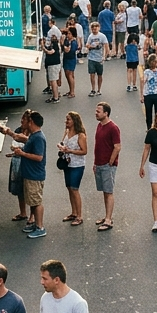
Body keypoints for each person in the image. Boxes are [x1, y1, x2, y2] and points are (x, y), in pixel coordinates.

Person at [2, 111, 48, 239]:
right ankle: (35, 225)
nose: (25, 122)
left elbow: (39, 157)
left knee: (36, 201)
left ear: (31, 122)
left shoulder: (38, 137)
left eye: (27, 120)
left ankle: (40, 227)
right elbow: (21, 141)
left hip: (35, 174)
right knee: (32, 201)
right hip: (29, 173)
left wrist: (22, 154)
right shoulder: (33, 136)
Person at [92, 103, 121, 231]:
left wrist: (110, 162)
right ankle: (106, 216)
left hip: (107, 165)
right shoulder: (99, 126)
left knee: (108, 191)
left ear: (106, 113)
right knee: (104, 191)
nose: (96, 113)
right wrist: (95, 163)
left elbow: (117, 146)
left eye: (98, 111)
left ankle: (108, 220)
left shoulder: (113, 128)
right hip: (99, 164)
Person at [58, 112, 89, 225]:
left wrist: (70, 151)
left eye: (68, 120)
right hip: (68, 164)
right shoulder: (67, 132)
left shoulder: (81, 135)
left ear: (74, 121)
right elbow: (63, 142)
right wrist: (62, 147)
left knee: (75, 189)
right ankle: (74, 212)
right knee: (69, 188)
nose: (66, 122)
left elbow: (84, 151)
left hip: (77, 165)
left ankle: (79, 216)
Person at [140, 54, 157, 126]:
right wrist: (142, 95)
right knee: (148, 113)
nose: (154, 64)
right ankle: (149, 127)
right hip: (148, 94)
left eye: (155, 62)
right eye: (152, 62)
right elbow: (143, 82)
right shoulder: (147, 72)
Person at [85, 21, 107, 96]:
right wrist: (92, 46)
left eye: (96, 28)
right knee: (92, 74)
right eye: (93, 29)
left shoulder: (102, 36)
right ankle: (93, 89)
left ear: (98, 28)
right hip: (91, 58)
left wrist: (104, 56)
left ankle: (99, 89)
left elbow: (106, 46)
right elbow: (87, 45)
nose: (94, 30)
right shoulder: (90, 36)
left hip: (99, 58)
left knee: (100, 75)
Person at [42, 34, 62, 103]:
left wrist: (43, 47)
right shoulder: (52, 45)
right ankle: (54, 96)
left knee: (53, 82)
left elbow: (49, 52)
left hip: (54, 65)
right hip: (52, 65)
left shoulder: (55, 45)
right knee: (52, 81)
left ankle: (56, 97)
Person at [61, 23, 80, 98]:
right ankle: (70, 90)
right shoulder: (68, 41)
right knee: (67, 75)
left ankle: (72, 92)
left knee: (70, 75)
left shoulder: (73, 42)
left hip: (71, 59)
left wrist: (63, 46)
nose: (67, 35)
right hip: (66, 58)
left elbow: (68, 50)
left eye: (69, 33)